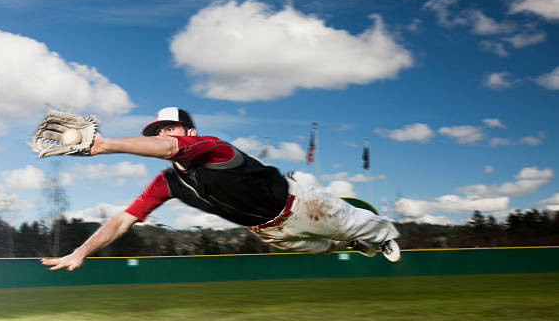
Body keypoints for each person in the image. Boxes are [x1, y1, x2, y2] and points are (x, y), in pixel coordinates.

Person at [41, 107, 400, 271]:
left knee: (359, 224)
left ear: (189, 134)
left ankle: (379, 235)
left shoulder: (214, 147)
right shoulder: (167, 183)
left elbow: (170, 150)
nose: (162, 135)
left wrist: (104, 145)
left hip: (300, 202)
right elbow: (122, 220)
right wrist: (81, 251)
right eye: (155, 131)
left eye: (170, 128)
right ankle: (350, 244)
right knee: (322, 248)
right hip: (270, 231)